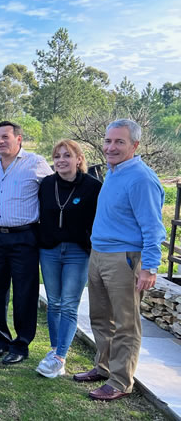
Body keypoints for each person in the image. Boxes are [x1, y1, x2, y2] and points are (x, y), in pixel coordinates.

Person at [74, 119, 165, 401]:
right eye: (108, 141)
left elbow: (153, 228)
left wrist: (149, 267)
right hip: (99, 254)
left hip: (124, 258)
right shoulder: (114, 172)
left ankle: (120, 381)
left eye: (119, 142)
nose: (111, 147)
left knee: (126, 323)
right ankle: (103, 367)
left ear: (135, 145)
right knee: (100, 318)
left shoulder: (141, 178)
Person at [0, 121, 52, 364]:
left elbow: (55, 190)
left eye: (6, 137)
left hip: (24, 237)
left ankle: (21, 345)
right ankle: (0, 340)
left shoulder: (36, 163)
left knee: (24, 292)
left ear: (19, 139)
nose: (1, 141)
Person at [35, 140, 101, 378]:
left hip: (77, 252)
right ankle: (55, 353)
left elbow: (99, 220)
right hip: (49, 250)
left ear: (79, 159)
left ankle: (60, 356)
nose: (61, 160)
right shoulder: (46, 184)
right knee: (54, 303)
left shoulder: (93, 187)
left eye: (67, 155)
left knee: (69, 304)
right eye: (57, 156)